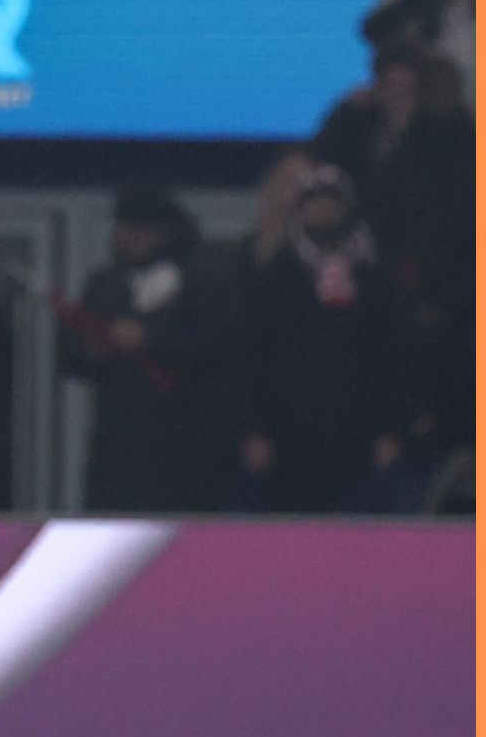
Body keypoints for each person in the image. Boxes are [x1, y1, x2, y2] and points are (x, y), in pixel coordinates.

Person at [238, 165, 400, 512]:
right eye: (314, 202)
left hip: (357, 435)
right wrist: (254, 429)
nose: (322, 210)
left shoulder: (373, 277)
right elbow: (253, 357)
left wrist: (390, 430)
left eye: (331, 203)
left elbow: (391, 358)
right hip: (288, 437)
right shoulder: (275, 275)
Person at [59, 186, 224, 512]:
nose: (132, 237)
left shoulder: (199, 285)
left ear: (164, 233)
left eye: (142, 229)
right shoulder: (104, 285)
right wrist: (95, 347)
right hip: (116, 448)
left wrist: (150, 340)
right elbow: (70, 355)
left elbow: (212, 351)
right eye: (125, 228)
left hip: (181, 446)